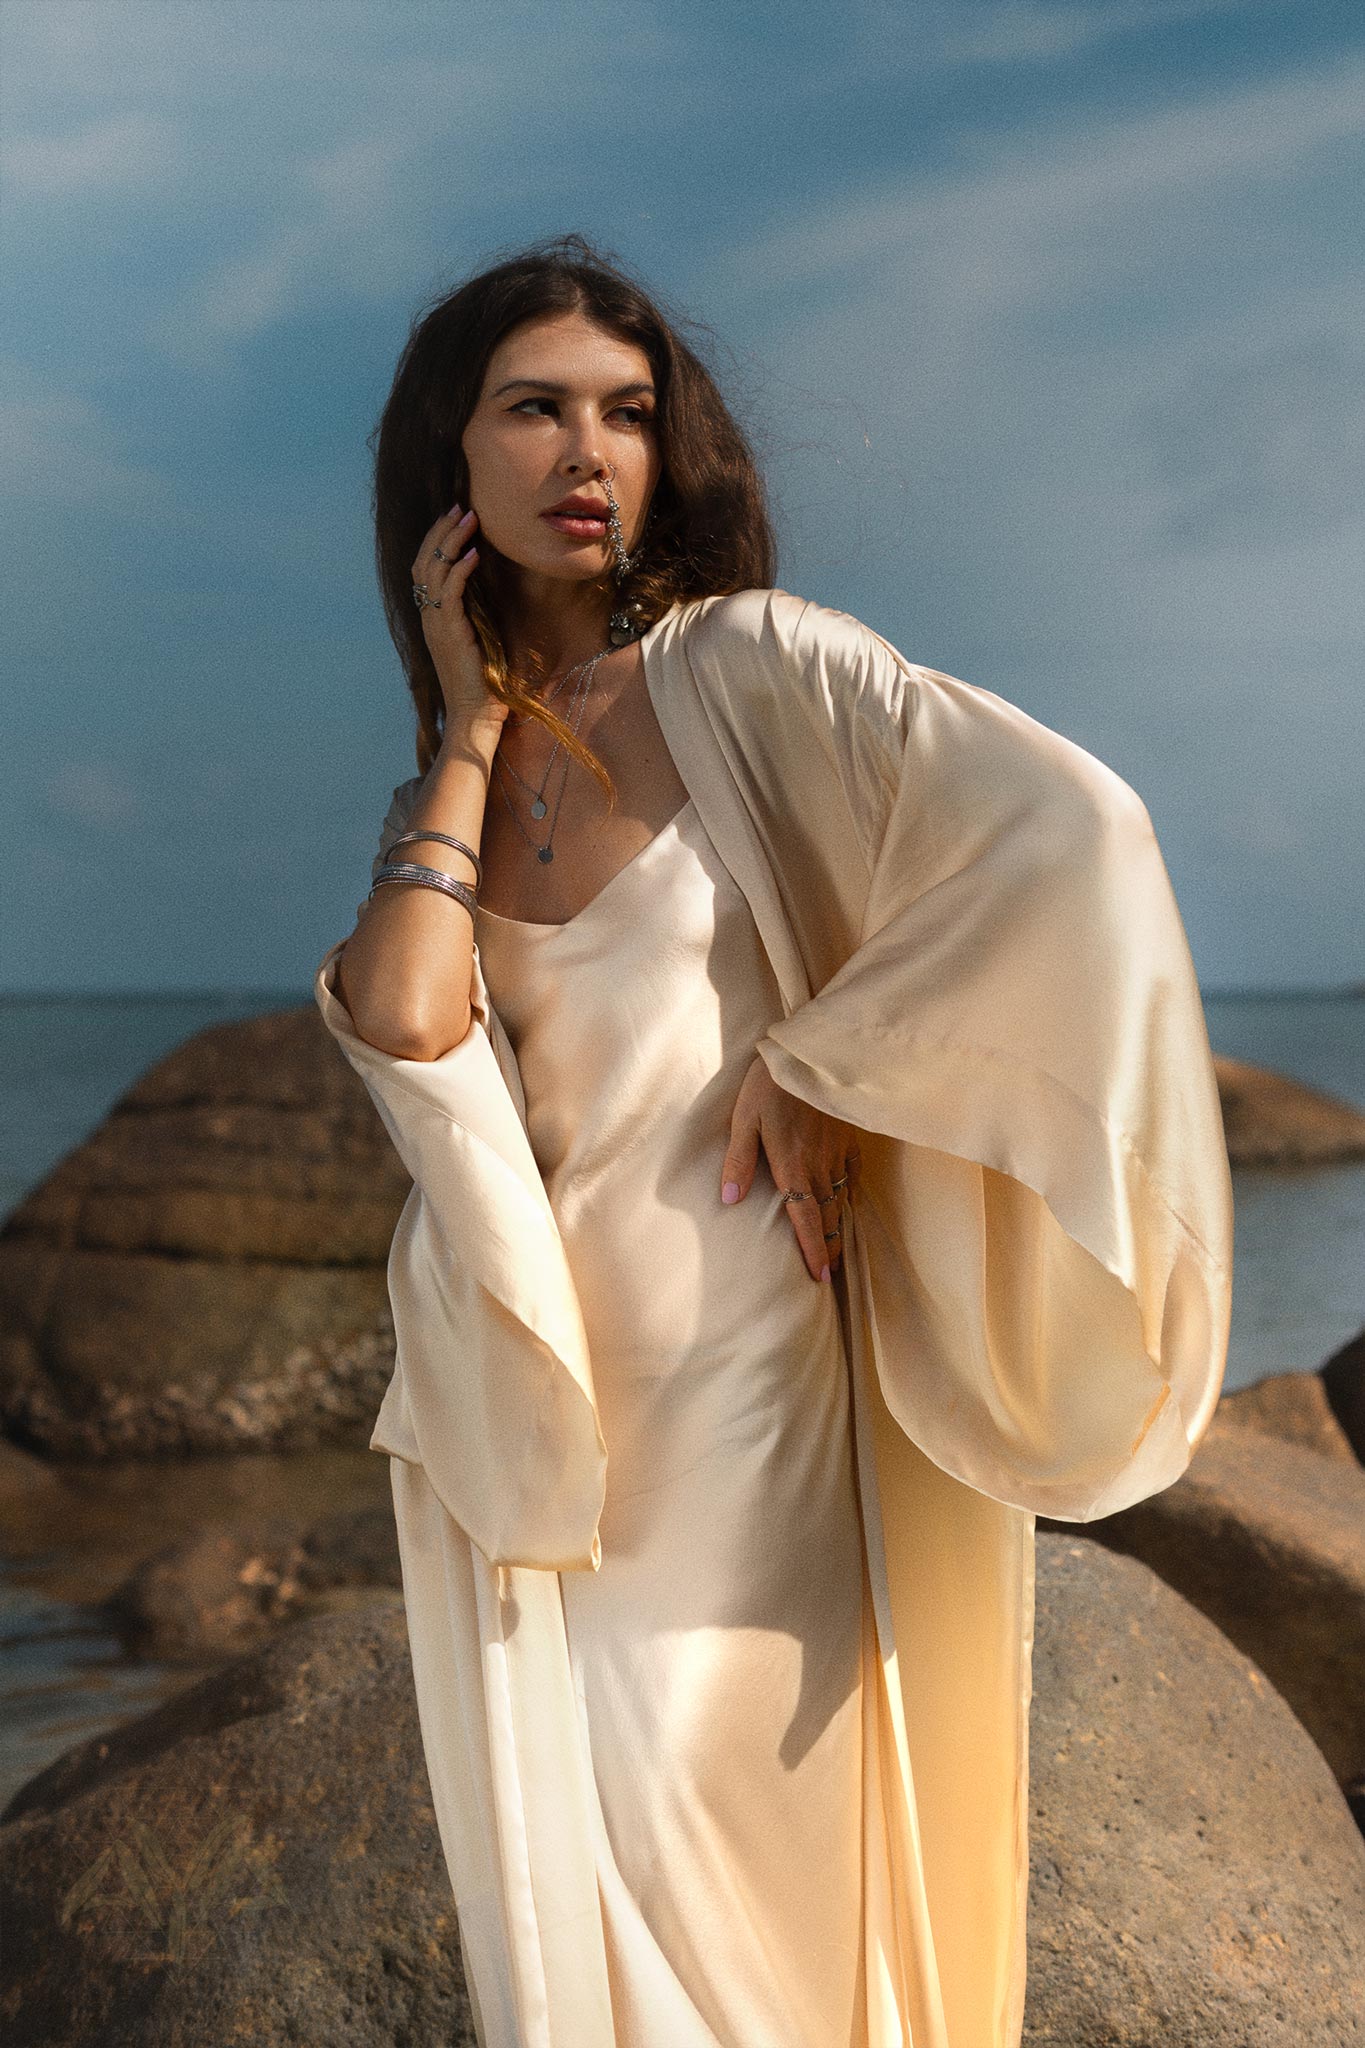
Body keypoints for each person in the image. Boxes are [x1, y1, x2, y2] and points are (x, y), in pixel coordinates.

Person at [314, 232, 1233, 2048]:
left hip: (746, 1373)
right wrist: (465, 714)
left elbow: (1077, 836)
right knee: (578, 1914)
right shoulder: (472, 770)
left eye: (629, 413)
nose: (591, 453)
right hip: (523, 1417)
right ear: (452, 466)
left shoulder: (751, 671)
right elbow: (410, 1020)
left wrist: (828, 1057)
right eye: (535, 411)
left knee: (728, 1893)